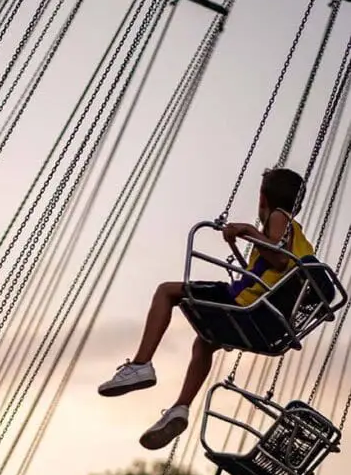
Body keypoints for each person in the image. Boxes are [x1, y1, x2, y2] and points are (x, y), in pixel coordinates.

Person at [97, 168, 314, 450]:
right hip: (264, 315)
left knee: (167, 291)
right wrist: (243, 246)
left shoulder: (278, 217)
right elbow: (270, 268)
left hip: (245, 305)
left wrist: (247, 231)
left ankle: (140, 365)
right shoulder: (301, 240)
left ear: (263, 197)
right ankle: (180, 408)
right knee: (204, 343)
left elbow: (279, 261)